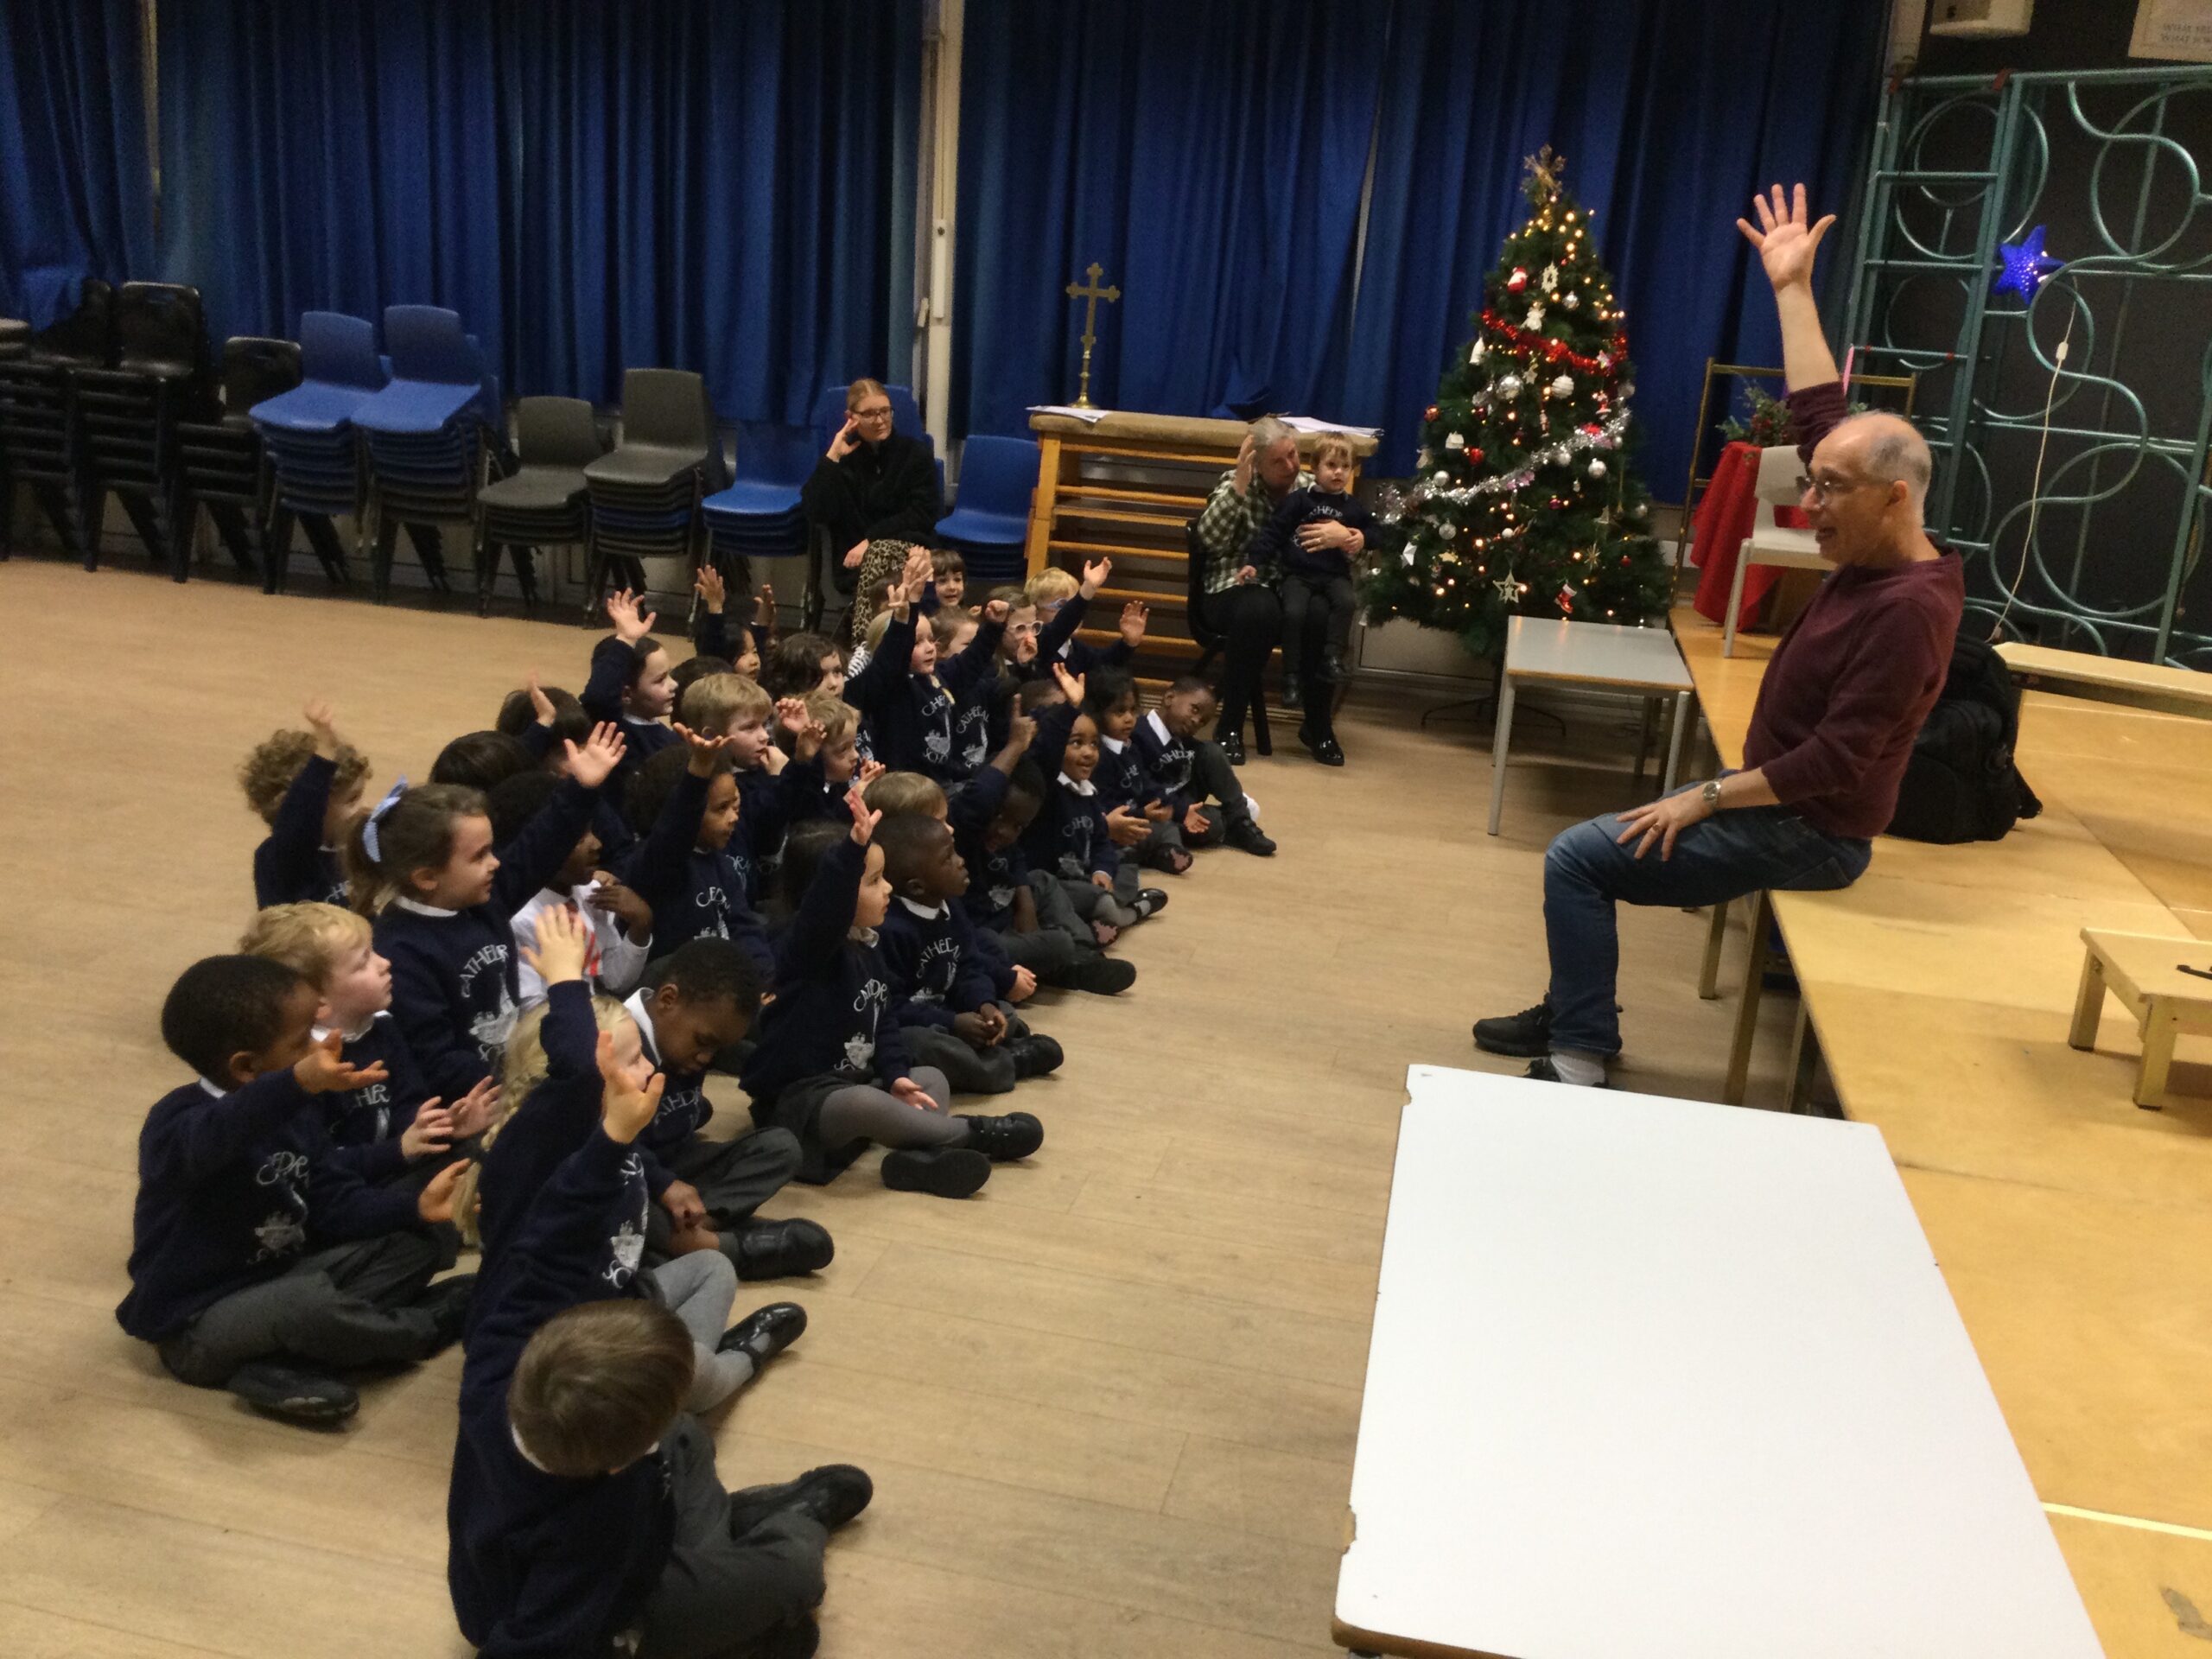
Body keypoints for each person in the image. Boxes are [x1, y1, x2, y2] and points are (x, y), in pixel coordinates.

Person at [1471, 183, 1963, 1089]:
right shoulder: (1883, 549)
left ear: (1895, 497)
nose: (1809, 504)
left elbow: (1835, 764)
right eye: (1812, 482)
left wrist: (1704, 797)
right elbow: (1820, 410)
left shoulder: (1908, 611)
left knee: (1578, 859)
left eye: (1828, 490)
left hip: (1814, 831)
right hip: (1785, 803)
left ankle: (1579, 1054)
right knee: (1598, 849)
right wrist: (1791, 288)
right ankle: (1577, 1005)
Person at [447, 1022, 865, 1659]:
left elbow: (546, 1245)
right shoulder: (594, 1526)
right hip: (595, 1609)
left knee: (687, 1439)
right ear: (624, 1460)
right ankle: (789, 1525)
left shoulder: (495, 1368)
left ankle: (725, 1546)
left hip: (592, 1544)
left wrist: (613, 1135)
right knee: (792, 1582)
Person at [464, 909, 806, 1419]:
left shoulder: (611, 1137)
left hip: (616, 1301)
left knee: (713, 1269)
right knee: (684, 1394)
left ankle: (690, 1355)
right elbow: (580, 1070)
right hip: (557, 1351)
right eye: (633, 1061)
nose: (651, 1068)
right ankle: (739, 1359)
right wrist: (565, 978)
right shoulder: (544, 1143)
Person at [116, 954, 472, 1425]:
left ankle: (281, 1368)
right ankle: (423, 1327)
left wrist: (414, 1208)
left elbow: (333, 1200)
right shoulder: (178, 1123)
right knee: (307, 1306)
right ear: (246, 1067)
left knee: (414, 1244)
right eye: (303, 1040)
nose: (319, 1045)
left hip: (285, 1274)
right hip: (198, 1321)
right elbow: (223, 1132)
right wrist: (295, 1084)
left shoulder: (298, 1110)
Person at [739, 794, 1043, 1198]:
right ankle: (970, 1134)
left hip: (858, 1078)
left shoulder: (869, 945)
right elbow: (821, 915)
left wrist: (897, 1073)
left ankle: (919, 1161)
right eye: (874, 881)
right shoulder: (805, 954)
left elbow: (884, 1023)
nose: (888, 889)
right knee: (864, 1102)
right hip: (804, 1101)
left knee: (928, 1078)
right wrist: (850, 853)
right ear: (833, 894)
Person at [351, 722, 625, 1102]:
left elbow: (539, 845)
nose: (496, 863)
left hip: (512, 1077)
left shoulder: (480, 901)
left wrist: (581, 787)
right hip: (471, 1104)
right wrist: (515, 1091)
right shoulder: (400, 951)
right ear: (427, 877)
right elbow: (438, 1058)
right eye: (479, 856)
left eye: (492, 850)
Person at [238, 901, 501, 1185]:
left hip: (399, 1170)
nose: (384, 963)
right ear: (318, 1001)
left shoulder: (382, 1025)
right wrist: (398, 1150)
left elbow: (408, 1101)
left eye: (373, 951)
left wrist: (442, 1126)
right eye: (362, 963)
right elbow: (319, 1165)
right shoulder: (305, 1068)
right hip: (349, 1194)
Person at [1192, 417, 1365, 763]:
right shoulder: (1237, 482)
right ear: (1257, 464)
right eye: (1277, 461)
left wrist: (1350, 538)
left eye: (1292, 455)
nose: (1290, 466)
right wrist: (1238, 488)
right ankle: (1229, 725)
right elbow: (1207, 540)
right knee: (1260, 610)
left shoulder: (1315, 489)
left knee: (1321, 613)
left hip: (1295, 583)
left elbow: (1358, 544)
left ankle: (1317, 725)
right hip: (1236, 583)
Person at [875, 810, 1064, 1096]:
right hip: (917, 1023)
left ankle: (989, 1043)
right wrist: (953, 1023)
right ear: (917, 886)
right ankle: (1007, 1062)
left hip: (947, 1010)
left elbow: (968, 966)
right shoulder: (891, 930)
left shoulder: (949, 905)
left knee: (1003, 1011)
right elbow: (891, 1009)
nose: (961, 861)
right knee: (921, 1044)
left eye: (955, 852)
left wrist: (984, 1004)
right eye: (947, 859)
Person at [1245, 433, 1378, 765]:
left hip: (1333, 577)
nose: (1338, 472)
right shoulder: (1299, 500)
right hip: (1299, 575)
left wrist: (1359, 537)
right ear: (1315, 468)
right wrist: (1254, 562)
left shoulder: (1351, 506)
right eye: (1331, 465)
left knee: (1346, 603)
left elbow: (1377, 532)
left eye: (1345, 466)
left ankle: (1332, 659)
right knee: (1293, 614)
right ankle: (1291, 679)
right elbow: (1273, 533)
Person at [800, 377, 940, 645]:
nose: (879, 420)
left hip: (910, 550)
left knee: (878, 552)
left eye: (885, 411)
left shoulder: (916, 454)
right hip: (855, 562)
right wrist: (832, 458)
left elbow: (923, 514)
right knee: (875, 558)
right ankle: (878, 646)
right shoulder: (844, 460)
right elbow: (816, 512)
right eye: (869, 414)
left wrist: (872, 540)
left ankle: (864, 645)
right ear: (851, 417)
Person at [241, 700, 370, 907]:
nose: (362, 808)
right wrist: (323, 757)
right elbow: (300, 818)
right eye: (351, 800)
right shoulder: (285, 857)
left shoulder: (346, 846)